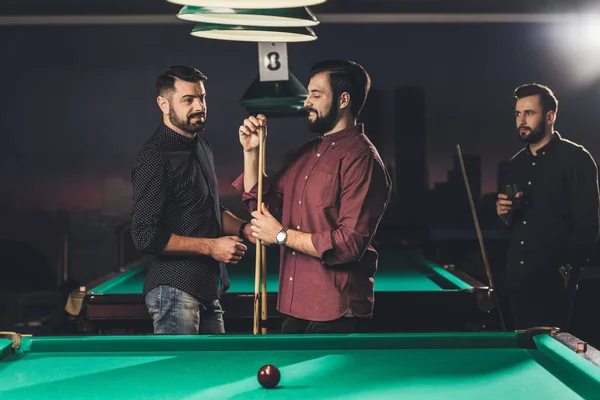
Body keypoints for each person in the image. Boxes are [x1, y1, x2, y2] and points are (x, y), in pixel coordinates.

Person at [233, 60, 392, 334]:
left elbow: (349, 244)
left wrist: (281, 236)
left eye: (316, 95)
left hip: (336, 310)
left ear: (343, 100)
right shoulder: (306, 153)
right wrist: (251, 153)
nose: (307, 102)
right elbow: (263, 207)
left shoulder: (362, 159)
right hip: (293, 305)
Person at [130, 65, 253, 335]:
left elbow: (207, 209)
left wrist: (244, 228)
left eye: (202, 97)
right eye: (188, 99)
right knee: (180, 375)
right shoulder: (155, 157)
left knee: (213, 371)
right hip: (174, 292)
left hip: (207, 289)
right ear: (164, 104)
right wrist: (212, 247)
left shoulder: (200, 143)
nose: (199, 106)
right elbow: (144, 235)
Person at [496, 83, 600, 330]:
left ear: (550, 116)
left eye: (529, 113)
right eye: (518, 114)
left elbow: (588, 224)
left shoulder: (577, 159)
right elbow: (511, 228)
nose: (522, 120)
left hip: (553, 278)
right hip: (517, 276)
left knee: (547, 346)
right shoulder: (516, 163)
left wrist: (567, 269)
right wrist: (504, 214)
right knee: (520, 348)